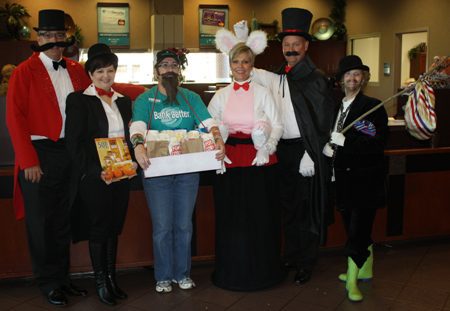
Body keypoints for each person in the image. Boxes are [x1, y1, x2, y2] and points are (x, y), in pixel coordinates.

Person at [5, 9, 91, 306]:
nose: (53, 41)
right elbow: (14, 118)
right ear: (37, 38)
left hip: (70, 152)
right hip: (39, 153)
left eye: (58, 35)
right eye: (47, 35)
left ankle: (64, 279)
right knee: (41, 222)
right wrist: (28, 160)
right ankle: (48, 282)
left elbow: (97, 99)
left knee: (63, 220)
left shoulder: (76, 69)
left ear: (66, 39)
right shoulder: (22, 72)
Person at [130, 49, 225, 293]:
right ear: (156, 71)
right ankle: (163, 276)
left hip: (187, 170)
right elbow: (138, 125)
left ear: (180, 70)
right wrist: (138, 145)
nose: (169, 68)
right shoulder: (145, 100)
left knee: (183, 225)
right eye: (164, 65)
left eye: (174, 64)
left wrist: (218, 139)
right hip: (156, 170)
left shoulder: (191, 98)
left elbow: (208, 123)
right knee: (162, 227)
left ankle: (182, 273)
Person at [251, 8, 335, 285]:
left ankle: (306, 262)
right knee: (287, 206)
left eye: (295, 45)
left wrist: (311, 154)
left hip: (305, 152)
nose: (290, 50)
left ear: (306, 46)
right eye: (286, 45)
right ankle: (290, 255)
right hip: (282, 151)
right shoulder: (280, 76)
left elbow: (324, 122)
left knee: (306, 209)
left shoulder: (316, 79)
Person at [208, 24, 286, 291]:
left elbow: (277, 125)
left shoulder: (264, 93)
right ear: (230, 64)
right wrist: (217, 148)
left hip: (260, 161)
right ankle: (231, 273)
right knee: (231, 220)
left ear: (252, 64)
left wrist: (268, 147)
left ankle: (262, 273)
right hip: (229, 162)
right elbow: (210, 128)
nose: (241, 66)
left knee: (260, 218)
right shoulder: (220, 96)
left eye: (246, 62)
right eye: (236, 62)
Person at [65, 43, 134, 306]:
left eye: (110, 70)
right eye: (100, 71)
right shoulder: (79, 100)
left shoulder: (124, 101)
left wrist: (133, 160)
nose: (106, 76)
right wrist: (95, 172)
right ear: (90, 74)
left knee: (114, 227)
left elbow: (130, 137)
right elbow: (74, 143)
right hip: (96, 177)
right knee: (99, 229)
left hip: (122, 173)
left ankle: (112, 278)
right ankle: (101, 282)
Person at [323, 55, 388, 302]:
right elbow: (330, 134)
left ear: (364, 78)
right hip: (341, 180)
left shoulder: (371, 107)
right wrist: (329, 147)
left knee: (356, 230)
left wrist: (346, 142)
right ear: (341, 80)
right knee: (354, 225)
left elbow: (377, 143)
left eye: (357, 74)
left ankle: (352, 279)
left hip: (365, 182)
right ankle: (366, 269)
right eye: (348, 74)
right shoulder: (337, 107)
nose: (353, 78)